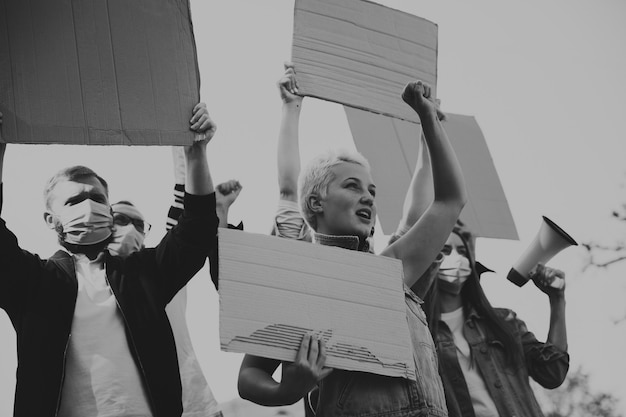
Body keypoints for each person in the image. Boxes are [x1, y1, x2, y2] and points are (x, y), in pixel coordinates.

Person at [237, 79, 467, 417]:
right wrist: (288, 389)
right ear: (316, 202)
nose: (368, 197)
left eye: (372, 191)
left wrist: (428, 121)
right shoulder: (299, 282)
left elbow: (448, 201)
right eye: (352, 186)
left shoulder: (391, 271)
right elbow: (248, 376)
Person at [0, 104, 219, 417]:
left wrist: (197, 152)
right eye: (74, 201)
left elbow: (196, 228)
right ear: (51, 219)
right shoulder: (34, 282)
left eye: (97, 198)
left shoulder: (145, 273)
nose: (88, 206)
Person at [107, 178, 241, 417]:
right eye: (120, 220)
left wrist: (217, 209)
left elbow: (189, 219)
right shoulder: (84, 283)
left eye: (139, 224)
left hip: (196, 406)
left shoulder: (160, 269)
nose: (131, 229)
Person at [421, 220, 569, 417]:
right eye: (445, 250)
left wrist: (557, 299)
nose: (456, 258)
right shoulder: (420, 332)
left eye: (462, 251)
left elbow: (552, 373)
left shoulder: (504, 321)